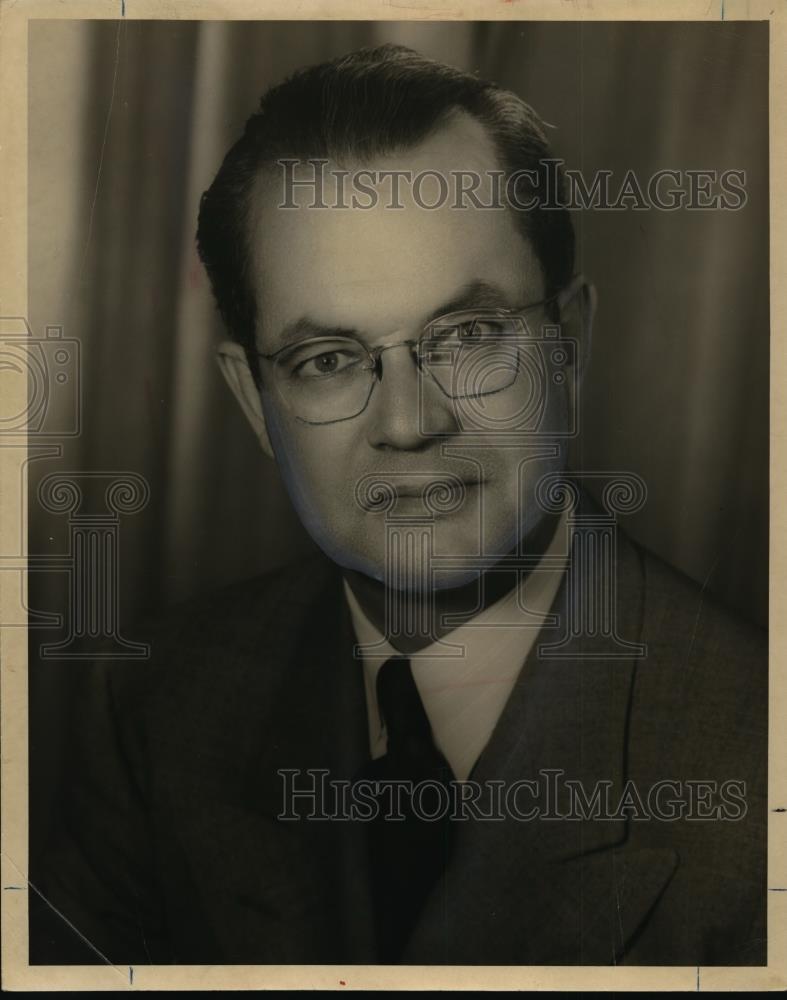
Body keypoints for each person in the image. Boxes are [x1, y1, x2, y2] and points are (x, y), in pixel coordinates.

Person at [30, 44, 766, 967]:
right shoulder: (153, 710)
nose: (410, 423)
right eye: (328, 359)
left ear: (568, 345)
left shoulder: (755, 768)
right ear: (254, 404)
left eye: (466, 335)